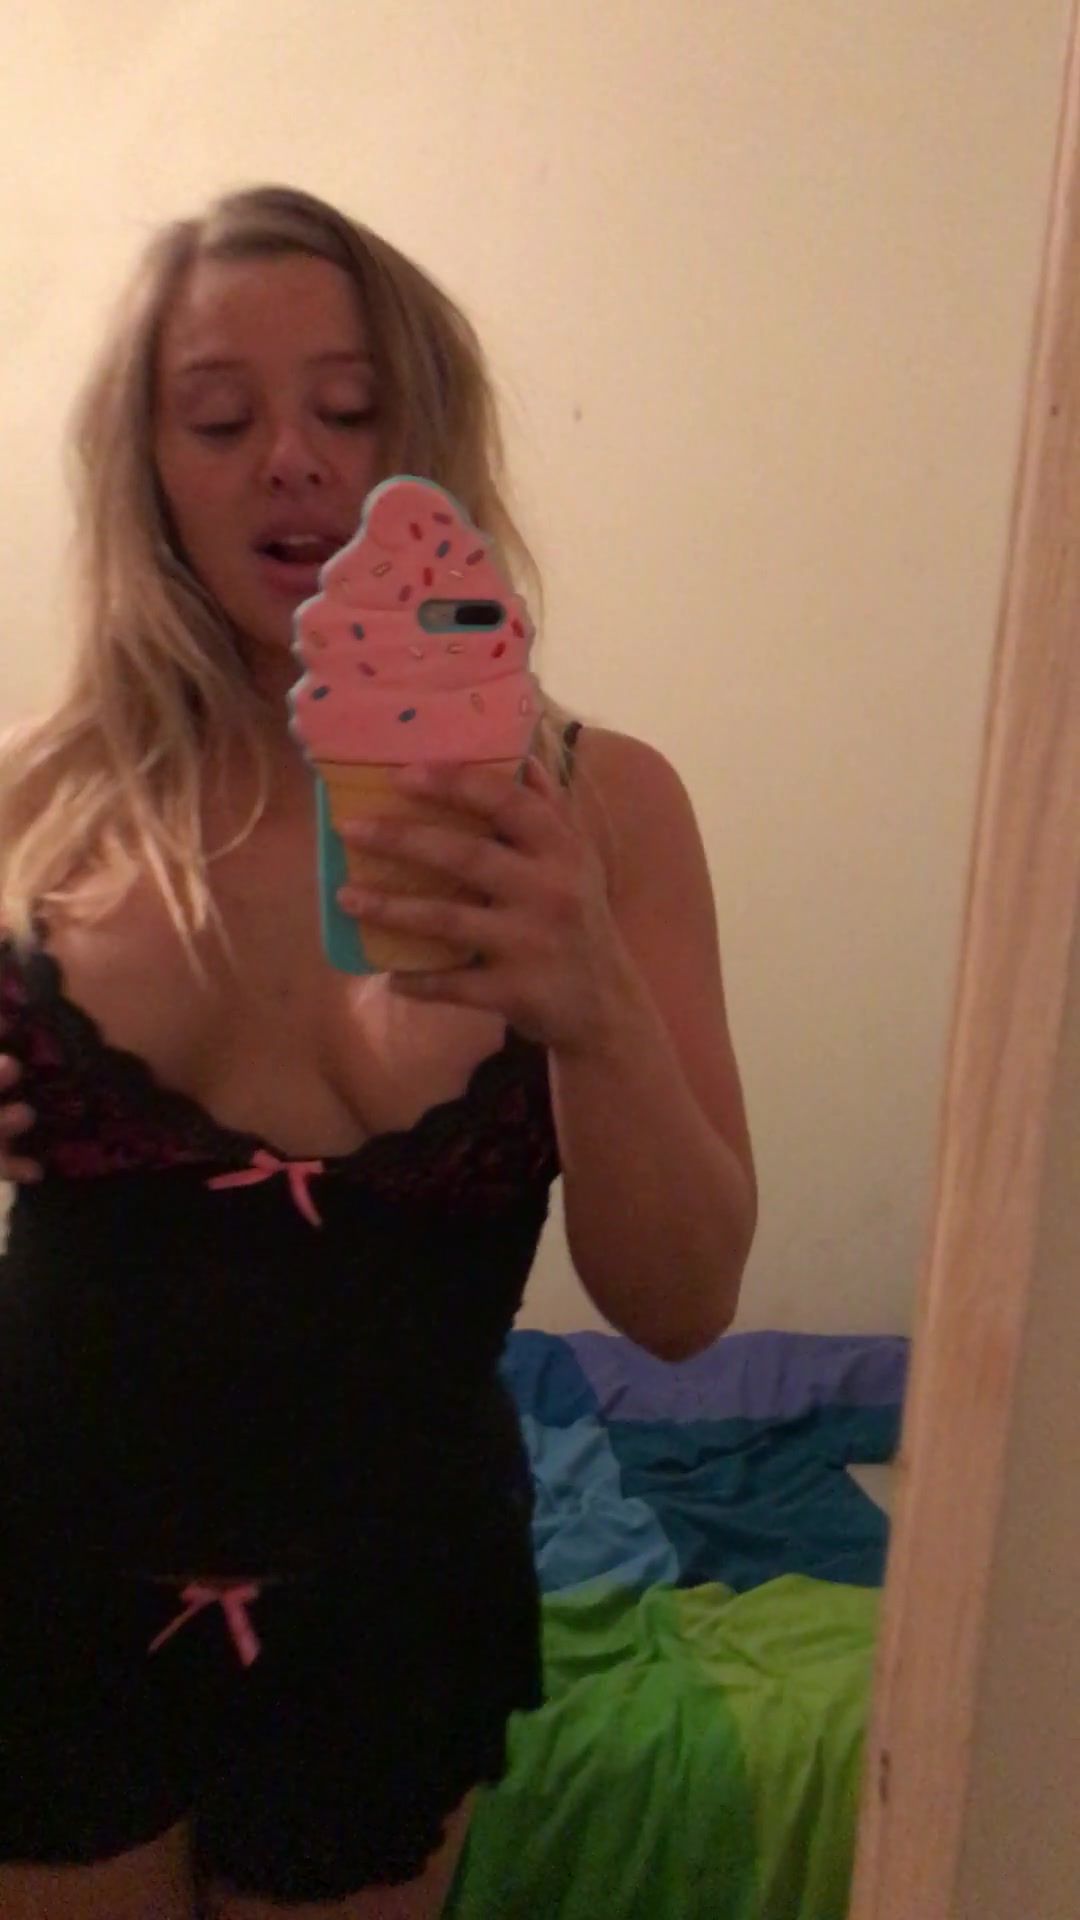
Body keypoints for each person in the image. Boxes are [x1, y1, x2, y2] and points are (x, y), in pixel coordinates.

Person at [0, 184, 756, 1920]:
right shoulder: (38, 796)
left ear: (426, 441)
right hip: (35, 1568)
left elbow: (682, 1305)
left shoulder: (605, 807)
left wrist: (593, 1002)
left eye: (347, 408)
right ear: (147, 465)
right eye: (219, 418)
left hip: (394, 1609)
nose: (289, 458)